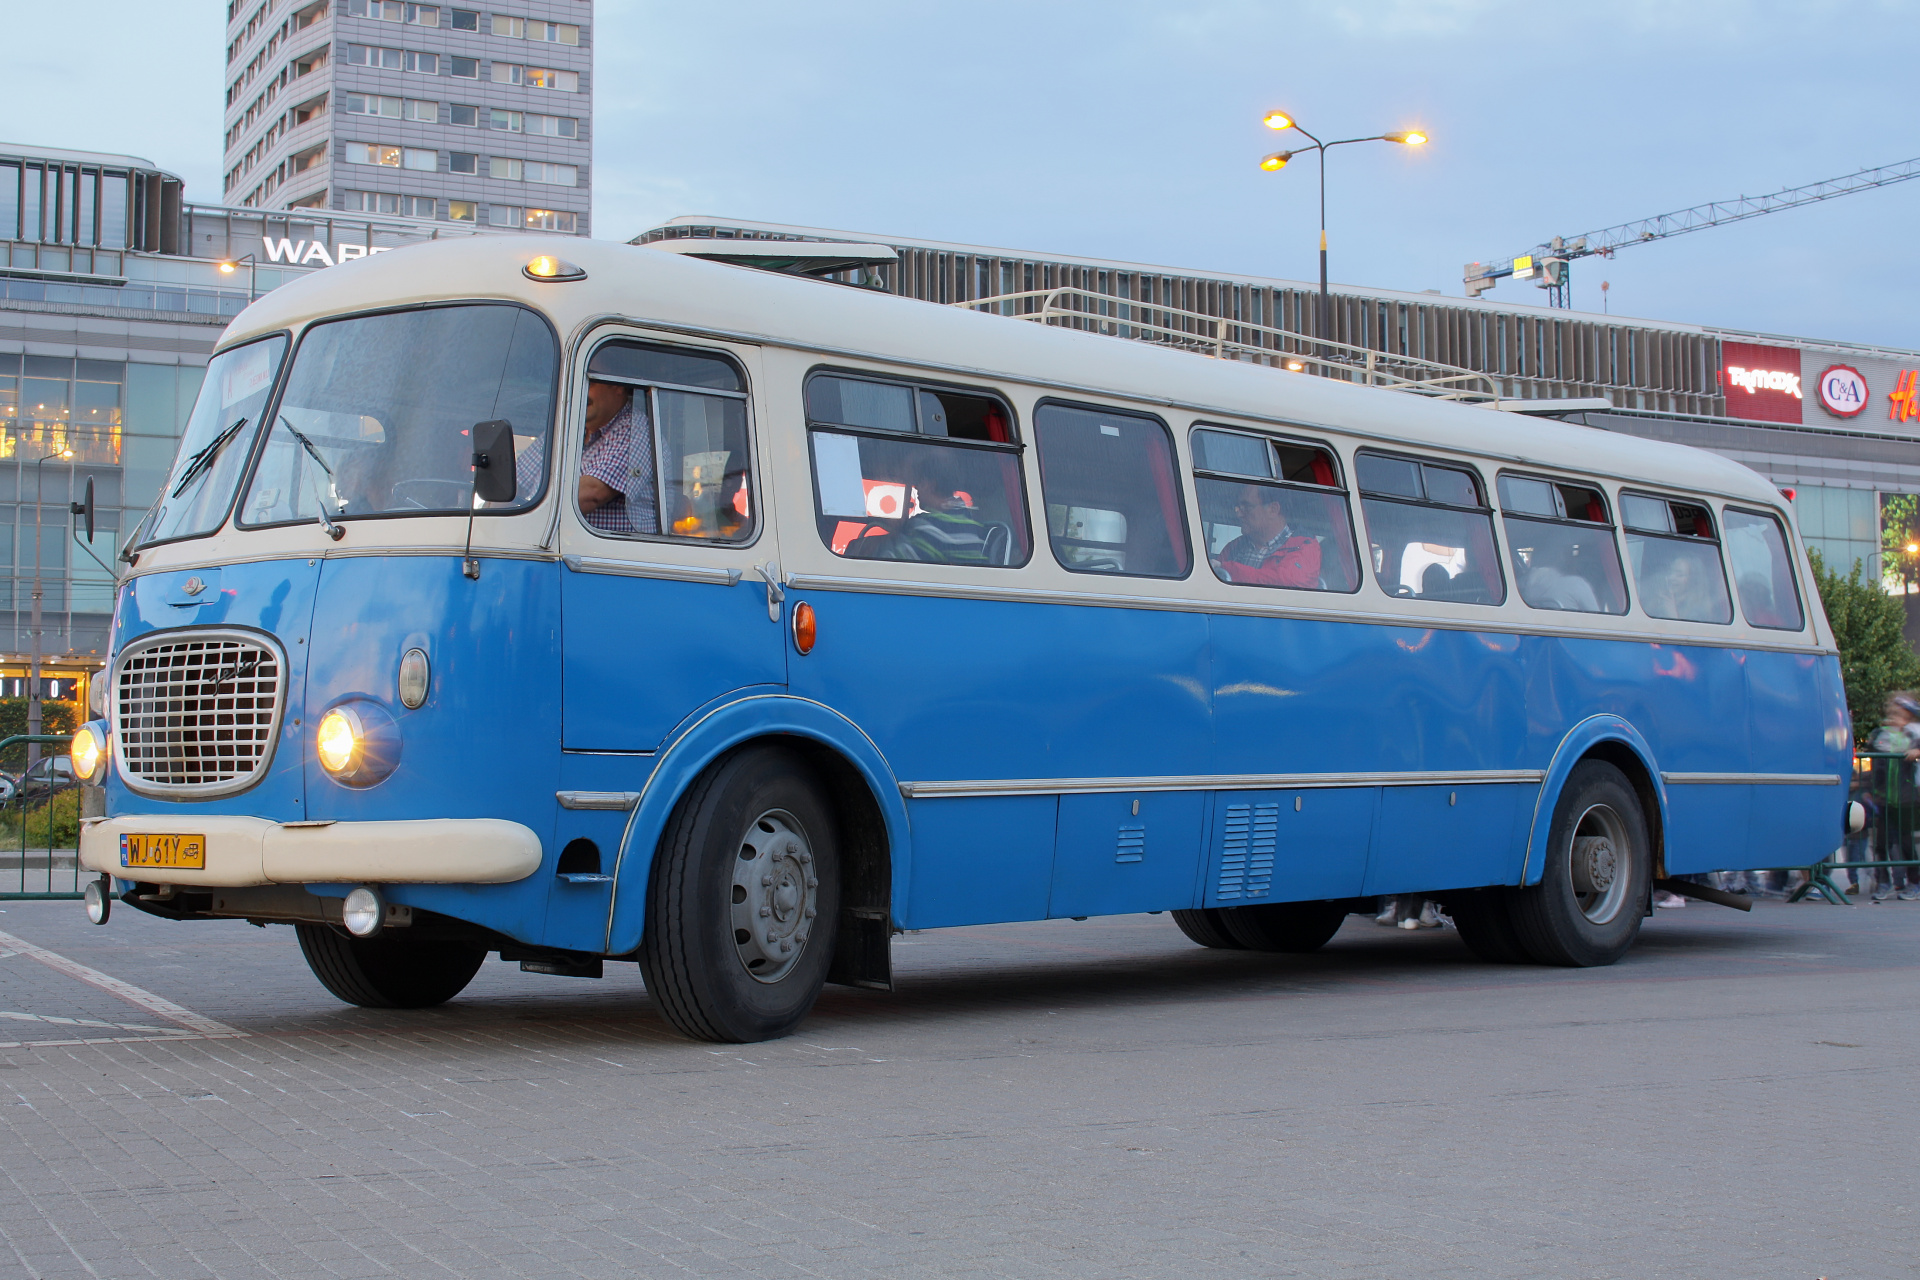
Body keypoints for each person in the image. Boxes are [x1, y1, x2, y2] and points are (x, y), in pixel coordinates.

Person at [855, 447, 994, 564]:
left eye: (918, 483)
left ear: (929, 484)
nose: (916, 490)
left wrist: (892, 530)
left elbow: (889, 563)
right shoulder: (970, 522)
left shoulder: (928, 527)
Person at [578, 379, 658, 534]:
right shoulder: (567, 428)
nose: (580, 389)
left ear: (617, 385)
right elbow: (519, 484)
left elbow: (591, 494)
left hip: (611, 554)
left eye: (590, 382)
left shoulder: (637, 429)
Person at [1865, 692, 1920, 902]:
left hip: (1905, 798)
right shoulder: (1879, 734)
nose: (1894, 714)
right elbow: (1873, 762)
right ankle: (1883, 882)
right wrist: (1870, 788)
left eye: (1899, 711)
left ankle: (1914, 882)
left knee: (1906, 843)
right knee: (1881, 844)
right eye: (1892, 710)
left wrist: (1917, 750)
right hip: (1882, 798)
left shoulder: (1911, 735)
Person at [1214, 485, 1320, 588]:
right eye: (1239, 508)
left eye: (1247, 507)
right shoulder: (1234, 547)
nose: (1239, 514)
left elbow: (1285, 582)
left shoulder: (1304, 546)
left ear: (1273, 509)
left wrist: (1226, 568)